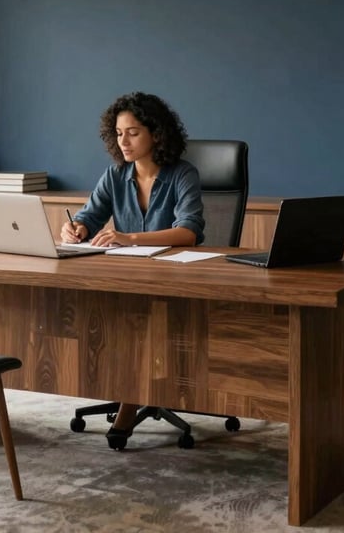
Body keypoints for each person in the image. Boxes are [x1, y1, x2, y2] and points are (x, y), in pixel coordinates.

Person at [60, 91, 204, 447]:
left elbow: (188, 231)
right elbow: (89, 218)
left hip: (175, 277)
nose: (123, 141)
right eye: (119, 133)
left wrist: (131, 237)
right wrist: (76, 228)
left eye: (133, 132)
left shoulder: (182, 174)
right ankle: (133, 386)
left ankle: (131, 398)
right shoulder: (115, 174)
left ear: (156, 133)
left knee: (139, 323)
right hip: (126, 275)